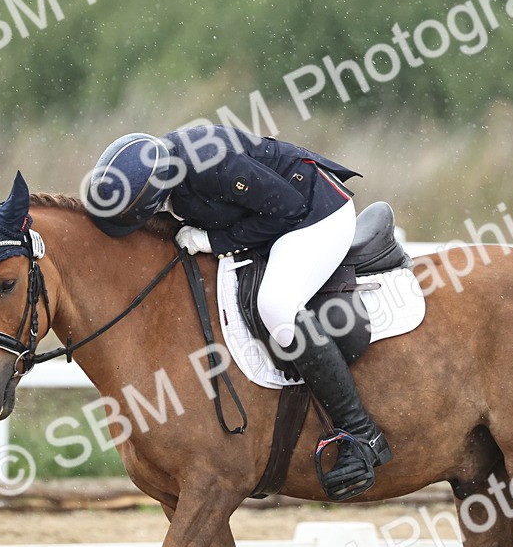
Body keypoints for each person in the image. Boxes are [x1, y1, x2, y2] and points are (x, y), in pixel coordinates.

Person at [85, 124, 392, 500]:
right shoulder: (161, 166)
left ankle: (362, 434)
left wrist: (215, 241)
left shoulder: (211, 165)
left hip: (315, 214)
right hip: (278, 215)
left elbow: (288, 209)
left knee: (276, 306)